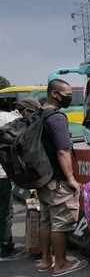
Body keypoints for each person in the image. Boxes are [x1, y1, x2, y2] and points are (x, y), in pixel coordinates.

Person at [38, 79, 88, 275]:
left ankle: (45, 261)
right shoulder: (57, 118)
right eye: (67, 94)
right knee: (60, 222)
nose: (69, 97)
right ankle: (61, 264)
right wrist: (71, 179)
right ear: (54, 94)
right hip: (57, 179)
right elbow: (63, 151)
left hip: (42, 178)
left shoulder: (38, 114)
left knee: (46, 220)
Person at [0, 98, 41, 260]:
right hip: (1, 174)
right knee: (5, 212)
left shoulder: (3, 116)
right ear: (26, 112)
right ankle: (5, 249)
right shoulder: (15, 122)